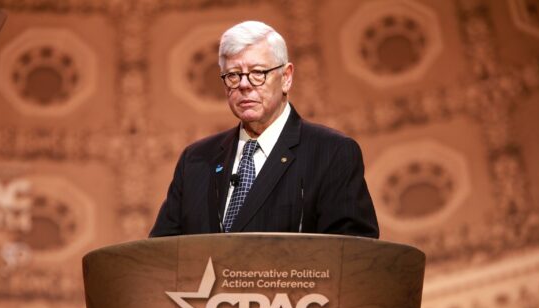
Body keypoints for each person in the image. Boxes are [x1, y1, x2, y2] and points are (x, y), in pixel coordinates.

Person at [149, 21, 378, 238]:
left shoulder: (331, 153)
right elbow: (161, 254)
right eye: (233, 75)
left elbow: (351, 252)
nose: (244, 84)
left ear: (286, 78)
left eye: (258, 72)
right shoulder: (196, 161)